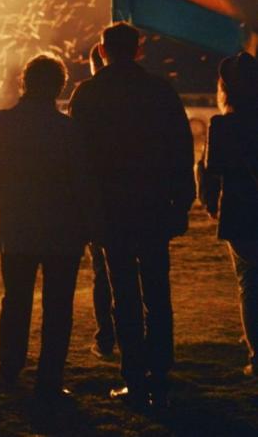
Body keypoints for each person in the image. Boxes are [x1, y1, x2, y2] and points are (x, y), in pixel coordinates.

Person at [69, 22, 194, 408]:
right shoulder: (160, 91)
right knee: (157, 288)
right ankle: (160, 368)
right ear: (139, 50)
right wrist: (182, 201)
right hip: (154, 206)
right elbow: (181, 148)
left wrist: (83, 209)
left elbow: (77, 158)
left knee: (123, 291)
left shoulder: (88, 93)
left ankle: (134, 373)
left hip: (111, 210)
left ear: (103, 52)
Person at [0, 55, 93, 401]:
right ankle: (50, 376)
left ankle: (9, 367)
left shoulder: (0, 123)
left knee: (16, 301)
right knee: (58, 306)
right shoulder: (69, 129)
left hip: (18, 227)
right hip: (62, 231)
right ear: (59, 86)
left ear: (24, 83)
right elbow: (82, 181)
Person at [198, 52, 258, 377]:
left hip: (240, 212)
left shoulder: (222, 125)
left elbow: (213, 168)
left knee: (250, 283)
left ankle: (256, 354)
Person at [77, 44, 116, 360]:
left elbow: (74, 151)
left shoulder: (85, 94)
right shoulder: (154, 90)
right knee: (151, 278)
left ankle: (107, 339)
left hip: (101, 200)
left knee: (104, 274)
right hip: (144, 201)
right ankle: (153, 348)